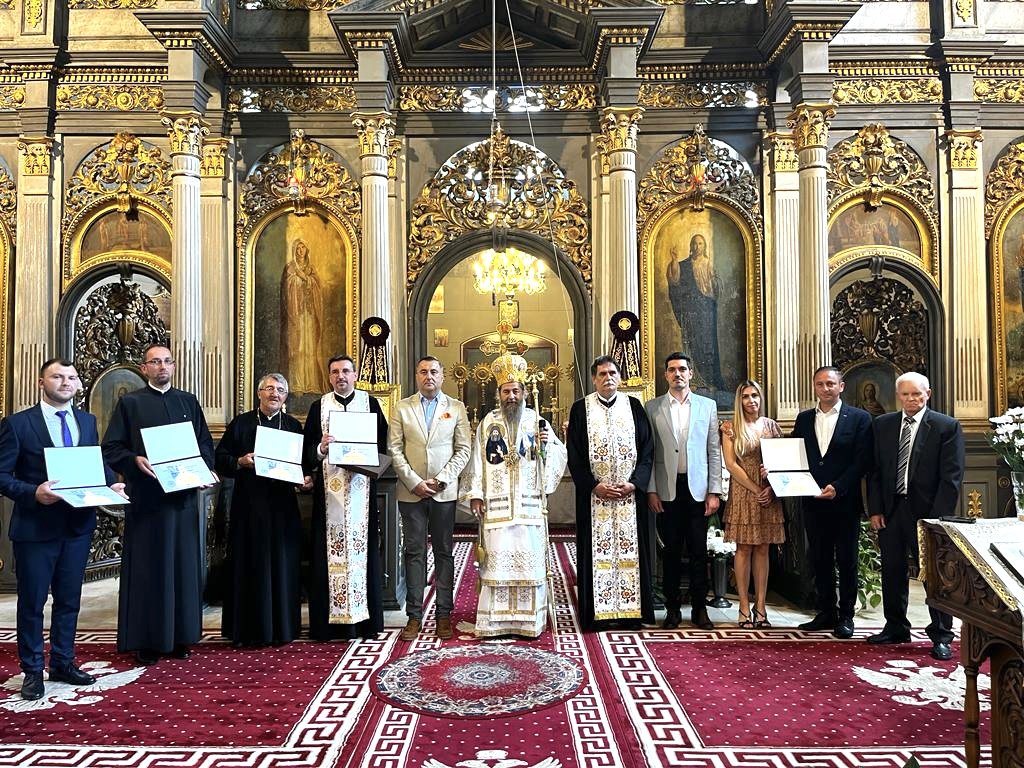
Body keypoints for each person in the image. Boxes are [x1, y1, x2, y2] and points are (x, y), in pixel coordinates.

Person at [0, 358, 126, 700]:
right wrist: (33, 493)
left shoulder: (87, 421)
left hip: (77, 525)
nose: (66, 382)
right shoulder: (18, 424)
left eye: (71, 377)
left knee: (69, 600)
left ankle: (63, 662)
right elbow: (3, 476)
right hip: (36, 528)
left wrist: (108, 485)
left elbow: (94, 464)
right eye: (57, 376)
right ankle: (31, 670)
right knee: (32, 602)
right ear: (42, 382)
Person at [102, 343, 216, 665]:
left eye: (167, 361)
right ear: (144, 368)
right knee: (149, 570)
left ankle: (180, 636)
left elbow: (204, 445)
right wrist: (134, 459)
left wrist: (203, 469)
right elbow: (111, 447)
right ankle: (147, 640)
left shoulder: (188, 402)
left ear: (174, 366)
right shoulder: (130, 403)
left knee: (181, 568)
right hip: (148, 503)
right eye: (155, 362)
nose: (162, 366)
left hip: (181, 502)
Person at [462, 353, 567, 639]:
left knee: (528, 563)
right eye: (506, 391)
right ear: (499, 394)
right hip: (496, 508)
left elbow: (557, 454)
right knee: (496, 565)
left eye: (516, 390)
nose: (512, 395)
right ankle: (494, 623)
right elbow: (476, 460)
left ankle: (528, 622)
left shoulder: (536, 421)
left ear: (523, 392)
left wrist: (548, 446)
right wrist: (475, 494)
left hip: (528, 506)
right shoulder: (487, 423)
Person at [866, 372, 964, 661]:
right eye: (906, 394)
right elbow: (874, 472)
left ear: (928, 394)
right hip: (891, 509)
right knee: (892, 570)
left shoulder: (946, 426)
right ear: (898, 396)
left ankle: (942, 635)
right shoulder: (883, 425)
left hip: (927, 514)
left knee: (934, 575)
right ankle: (896, 626)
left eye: (916, 394)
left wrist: (936, 520)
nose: (911, 399)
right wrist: (875, 509)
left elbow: (952, 478)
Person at [215, 373, 311, 647]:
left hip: (282, 508)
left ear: (285, 396)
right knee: (249, 564)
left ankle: (283, 628)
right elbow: (221, 458)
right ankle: (246, 630)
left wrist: (306, 478)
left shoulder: (292, 425)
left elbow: (303, 465)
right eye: (269, 388)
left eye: (281, 390)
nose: (275, 394)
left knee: (282, 564)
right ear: (259, 393)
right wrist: (240, 461)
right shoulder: (242, 423)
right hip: (249, 506)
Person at [302, 354, 387, 641]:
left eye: (346, 371)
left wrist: (368, 454)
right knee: (328, 553)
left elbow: (383, 441)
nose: (341, 376)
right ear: (329, 377)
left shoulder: (370, 403)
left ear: (354, 375)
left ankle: (366, 622)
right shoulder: (319, 407)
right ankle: (329, 626)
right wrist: (320, 448)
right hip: (330, 495)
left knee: (365, 552)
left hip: (361, 489)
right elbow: (306, 450)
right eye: (335, 371)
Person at [567, 355, 655, 630]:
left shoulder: (635, 407)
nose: (608, 378)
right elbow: (575, 455)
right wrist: (594, 485)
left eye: (613, 373)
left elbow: (648, 449)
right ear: (594, 378)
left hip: (630, 497)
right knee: (595, 555)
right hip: (595, 497)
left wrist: (635, 483)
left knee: (633, 554)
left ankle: (632, 613)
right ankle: (597, 615)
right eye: (602, 374)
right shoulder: (580, 409)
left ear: (620, 377)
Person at [388, 356, 472, 641]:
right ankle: (414, 616)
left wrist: (441, 479)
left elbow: (463, 449)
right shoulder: (402, 407)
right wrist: (414, 482)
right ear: (416, 376)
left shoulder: (456, 408)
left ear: (442, 375)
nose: (429, 376)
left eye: (434, 371)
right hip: (411, 493)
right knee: (414, 552)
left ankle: (443, 615)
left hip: (443, 492)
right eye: (423, 371)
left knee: (444, 552)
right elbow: (395, 449)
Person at [791, 366, 873, 639]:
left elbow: (862, 460)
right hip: (812, 501)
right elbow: (796, 456)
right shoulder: (803, 419)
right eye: (819, 384)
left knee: (847, 560)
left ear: (841, 386)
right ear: (814, 387)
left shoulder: (860, 418)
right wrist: (777, 471)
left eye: (830, 384)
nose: (825, 389)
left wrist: (838, 487)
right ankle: (826, 611)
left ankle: (846, 616)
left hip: (844, 502)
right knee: (820, 559)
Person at [645, 353, 723, 630]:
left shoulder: (707, 406)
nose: (677, 374)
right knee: (671, 552)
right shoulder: (652, 407)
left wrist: (715, 491)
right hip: (667, 490)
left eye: (682, 369)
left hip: (699, 490)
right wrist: (651, 490)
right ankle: (673, 610)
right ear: (665, 375)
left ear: (691, 373)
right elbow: (649, 452)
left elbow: (714, 450)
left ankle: (701, 609)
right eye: (671, 370)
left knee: (699, 551)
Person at [720, 379, 783, 629]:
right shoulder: (730, 428)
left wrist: (771, 485)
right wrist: (757, 488)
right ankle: (744, 606)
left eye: (755, 395)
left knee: (763, 548)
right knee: (744, 548)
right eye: (746, 396)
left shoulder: (772, 426)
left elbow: (782, 459)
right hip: (745, 491)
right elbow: (731, 464)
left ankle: (761, 607)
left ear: (761, 398)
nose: (751, 401)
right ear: (739, 400)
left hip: (769, 493)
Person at [666, 234, 724, 391]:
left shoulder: (709, 264)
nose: (698, 247)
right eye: (695, 244)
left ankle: (710, 380)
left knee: (707, 345)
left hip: (706, 312)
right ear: (691, 247)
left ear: (704, 246)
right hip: (691, 313)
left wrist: (712, 282)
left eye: (700, 243)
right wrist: (674, 261)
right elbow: (675, 280)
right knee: (692, 343)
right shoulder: (684, 265)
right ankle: (695, 380)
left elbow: (717, 287)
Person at [281, 239, 326, 395]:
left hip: (309, 315)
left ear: (307, 250)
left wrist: (307, 279)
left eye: (303, 248)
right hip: (296, 316)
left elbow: (317, 287)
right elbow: (286, 289)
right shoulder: (290, 268)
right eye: (297, 248)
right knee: (297, 347)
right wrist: (296, 279)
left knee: (309, 348)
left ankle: (311, 384)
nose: (300, 251)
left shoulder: (311, 269)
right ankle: (296, 385)